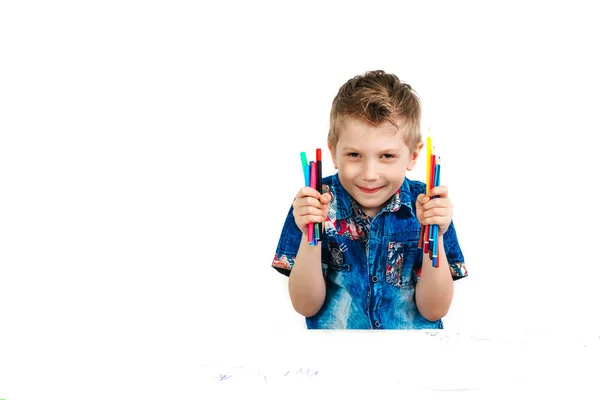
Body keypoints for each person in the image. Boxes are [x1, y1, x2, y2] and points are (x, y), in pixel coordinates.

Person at [271, 70, 468, 329]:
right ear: (333, 151)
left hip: (413, 358)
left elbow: (434, 310)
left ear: (413, 155)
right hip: (335, 360)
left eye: (386, 156)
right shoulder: (313, 202)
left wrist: (437, 235)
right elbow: (306, 306)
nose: (369, 174)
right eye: (354, 155)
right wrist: (311, 232)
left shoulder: (428, 204)